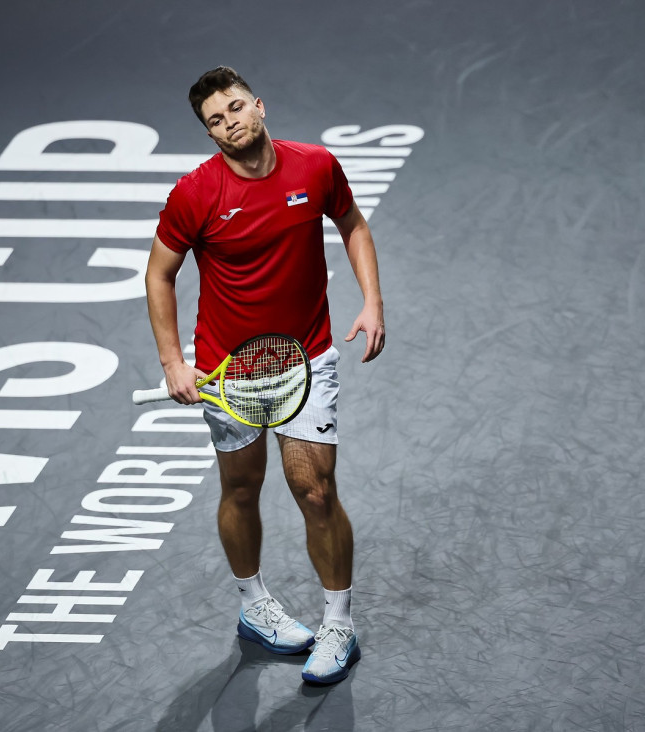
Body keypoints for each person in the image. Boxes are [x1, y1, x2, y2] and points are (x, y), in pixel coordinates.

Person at [144, 66, 385, 684]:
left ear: (258, 104)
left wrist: (372, 302)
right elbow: (159, 274)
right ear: (209, 133)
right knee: (241, 489)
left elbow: (353, 224)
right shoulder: (195, 194)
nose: (229, 123)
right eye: (215, 120)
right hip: (228, 370)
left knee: (316, 490)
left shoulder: (315, 166)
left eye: (234, 108)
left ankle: (338, 623)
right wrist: (173, 362)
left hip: (307, 355)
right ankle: (254, 606)